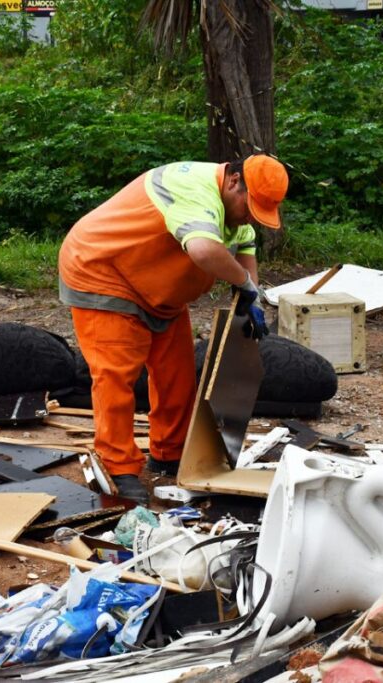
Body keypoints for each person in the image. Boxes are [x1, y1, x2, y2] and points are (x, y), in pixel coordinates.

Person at [58, 155, 289, 503]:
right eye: (249, 206)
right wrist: (244, 283)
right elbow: (203, 250)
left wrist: (251, 298)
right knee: (116, 375)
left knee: (176, 373)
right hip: (103, 272)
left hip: (155, 287)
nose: (248, 215)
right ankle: (118, 468)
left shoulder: (234, 210)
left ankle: (169, 452)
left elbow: (244, 249)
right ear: (233, 181)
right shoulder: (193, 188)